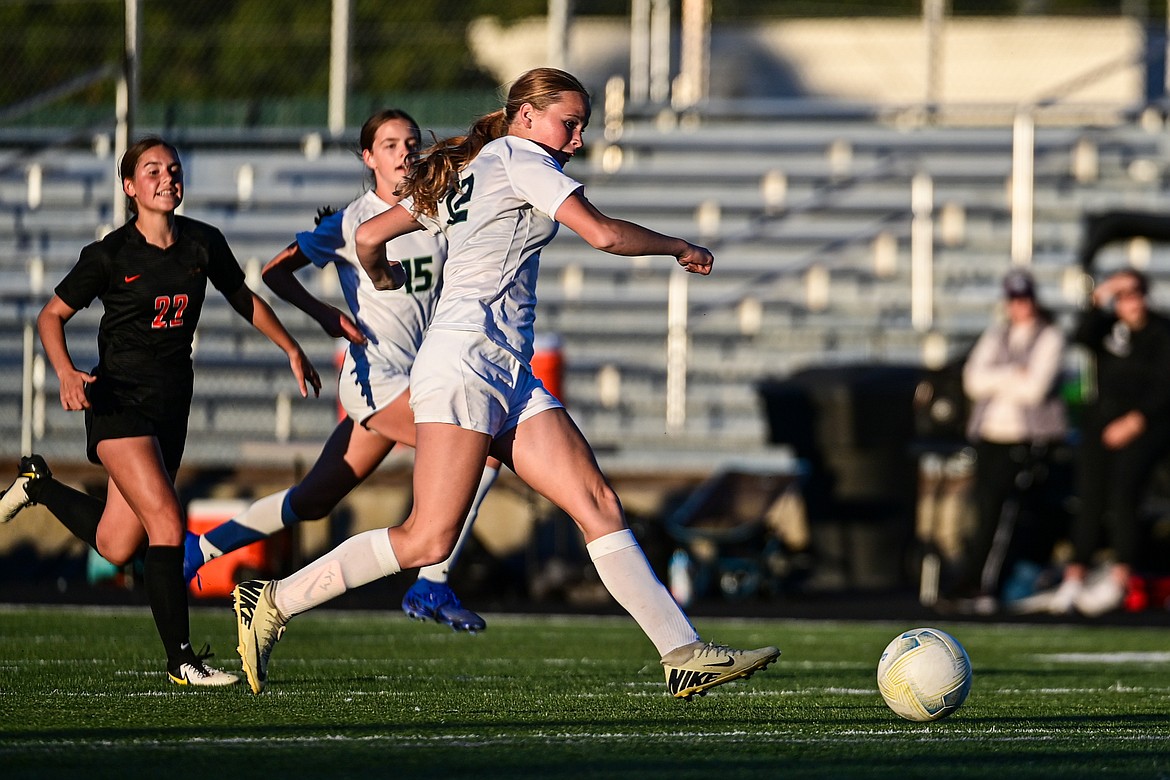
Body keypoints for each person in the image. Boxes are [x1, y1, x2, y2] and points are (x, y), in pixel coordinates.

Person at [231, 67, 780, 698]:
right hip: (465, 363)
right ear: (525, 115)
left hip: (504, 371)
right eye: (568, 124)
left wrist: (379, 274)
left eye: (581, 127)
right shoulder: (520, 161)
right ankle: (274, 600)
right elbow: (601, 234)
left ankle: (682, 652)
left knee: (596, 502)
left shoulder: (476, 164)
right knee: (427, 537)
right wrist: (678, 246)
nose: (576, 140)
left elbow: (368, 235)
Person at [0, 136, 321, 686]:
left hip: (171, 406)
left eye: (173, 169)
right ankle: (182, 661)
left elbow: (243, 298)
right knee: (167, 523)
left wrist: (291, 347)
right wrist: (66, 373)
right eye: (152, 171)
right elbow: (50, 317)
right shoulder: (108, 254)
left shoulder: (202, 242)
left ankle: (38, 486)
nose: (166, 178)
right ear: (130, 188)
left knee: (115, 544)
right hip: (117, 403)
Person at [183, 109, 496, 632]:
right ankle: (432, 583)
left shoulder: (436, 213)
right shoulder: (352, 221)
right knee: (480, 450)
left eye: (412, 142)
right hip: (375, 380)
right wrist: (327, 315)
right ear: (368, 157)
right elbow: (273, 273)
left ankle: (203, 546)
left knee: (314, 499)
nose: (405, 152)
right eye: (391, 144)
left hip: (417, 379)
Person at [1025, 268, 1170, 616]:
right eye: (1122, 295)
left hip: (1145, 425)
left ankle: (1121, 578)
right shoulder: (1106, 329)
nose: (1129, 302)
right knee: (1088, 498)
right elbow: (1081, 335)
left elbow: (1165, 386)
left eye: (1134, 293)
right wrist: (1098, 298)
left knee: (1123, 493)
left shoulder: (1161, 332)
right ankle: (1075, 577)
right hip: (1101, 424)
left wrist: (1136, 421)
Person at [938, 269, 1067, 615]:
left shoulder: (1049, 337)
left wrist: (998, 377)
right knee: (985, 513)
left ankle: (983, 583)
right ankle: (973, 581)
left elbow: (1035, 389)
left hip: (1025, 440)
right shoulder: (998, 334)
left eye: (1024, 299)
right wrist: (1013, 374)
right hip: (990, 438)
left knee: (1005, 516)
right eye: (1013, 299)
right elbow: (973, 381)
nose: (1019, 306)